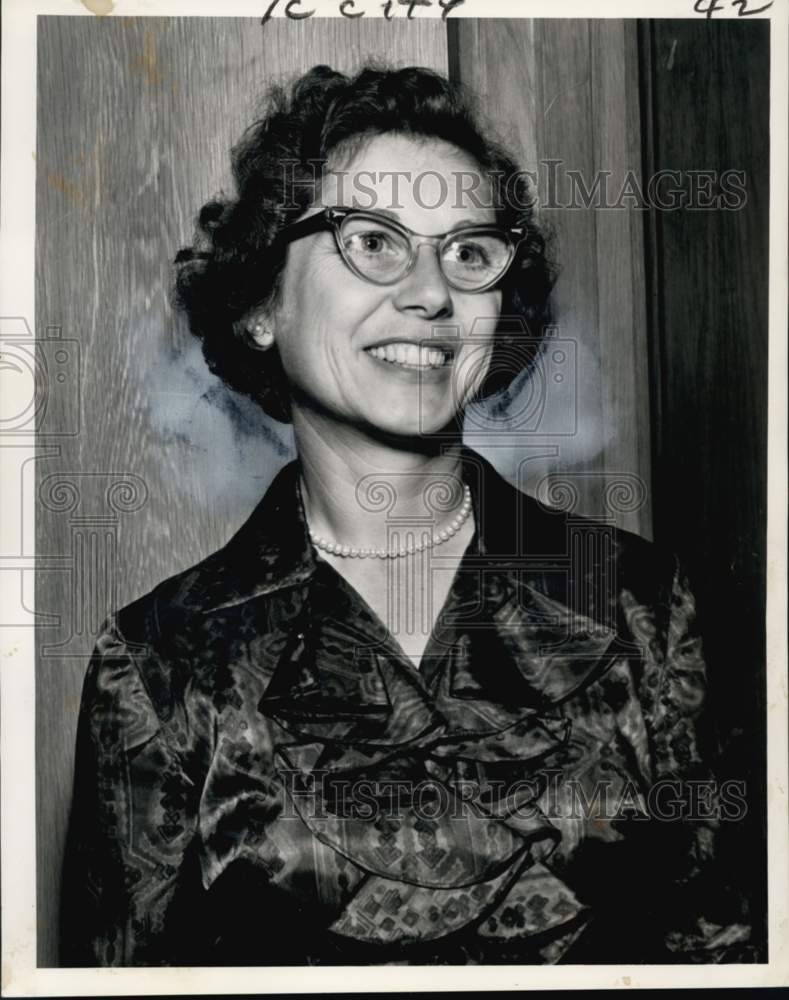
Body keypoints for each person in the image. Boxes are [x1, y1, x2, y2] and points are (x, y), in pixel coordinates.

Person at [60, 64, 751, 967]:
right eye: (373, 242)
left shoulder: (645, 610)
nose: (432, 292)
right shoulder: (157, 664)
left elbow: (723, 956)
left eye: (468, 251)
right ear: (264, 300)